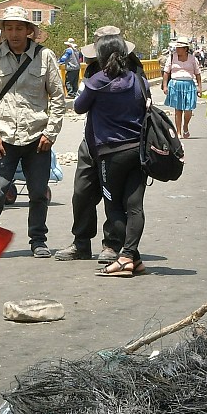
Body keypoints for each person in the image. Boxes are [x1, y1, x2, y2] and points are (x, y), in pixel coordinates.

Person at [0, 6, 65, 258]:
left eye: (19, 28)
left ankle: (38, 240)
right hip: (3, 138)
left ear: (29, 31)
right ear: (3, 30)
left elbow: (58, 97)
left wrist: (51, 132)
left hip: (38, 138)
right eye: (9, 28)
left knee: (38, 193)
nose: (14, 33)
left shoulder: (45, 56)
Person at [54, 26, 144, 261]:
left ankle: (112, 245)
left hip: (115, 145)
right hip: (92, 142)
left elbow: (81, 105)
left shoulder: (134, 68)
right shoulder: (93, 69)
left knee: (114, 199)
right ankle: (81, 243)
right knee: (81, 193)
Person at [74, 35, 149, 277]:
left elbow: (78, 107)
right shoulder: (137, 80)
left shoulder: (97, 81)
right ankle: (134, 258)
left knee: (113, 206)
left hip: (109, 154)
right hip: (137, 151)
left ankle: (126, 257)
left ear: (100, 56)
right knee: (135, 206)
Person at [161, 37, 203, 140]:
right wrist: (165, 86)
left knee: (188, 109)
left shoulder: (193, 59)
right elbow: (166, 72)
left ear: (185, 49)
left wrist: (199, 87)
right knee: (178, 109)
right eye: (177, 48)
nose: (177, 50)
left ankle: (185, 126)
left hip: (189, 84)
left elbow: (197, 74)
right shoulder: (171, 58)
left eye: (179, 48)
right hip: (175, 84)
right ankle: (178, 131)